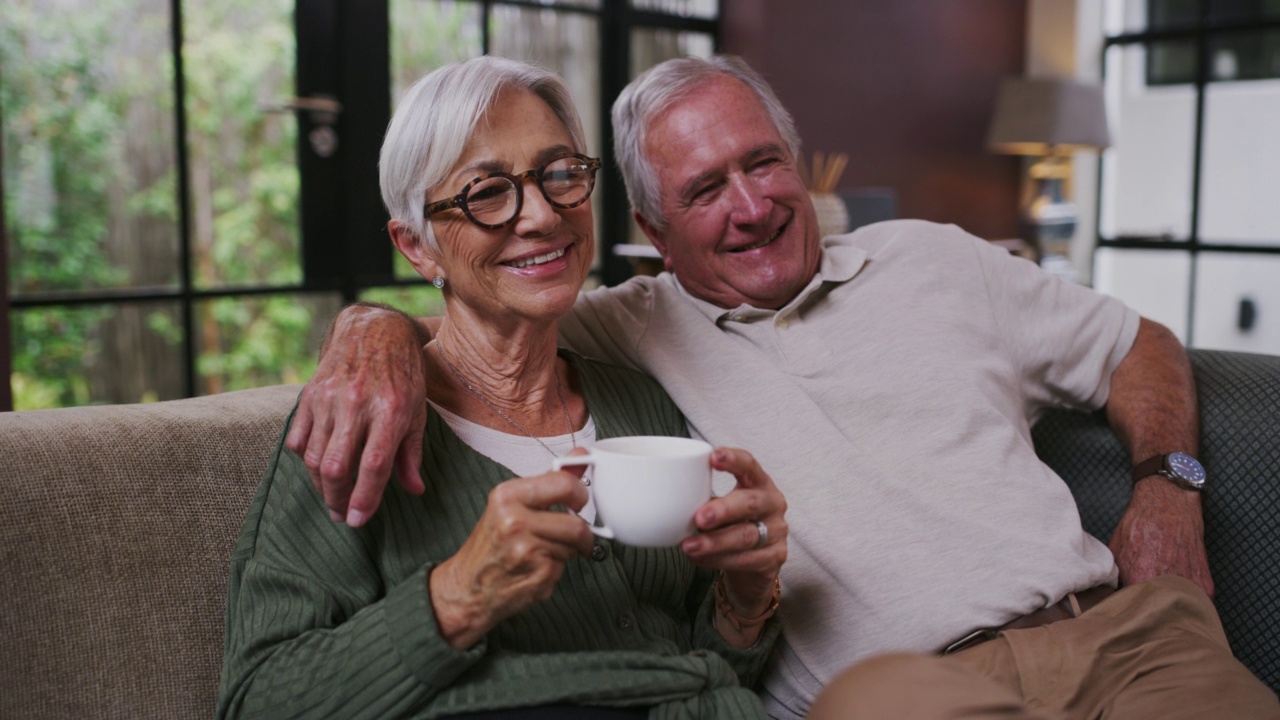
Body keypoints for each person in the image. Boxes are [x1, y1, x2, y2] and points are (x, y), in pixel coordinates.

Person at [285, 55, 1280, 718]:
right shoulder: (625, 331)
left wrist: (1167, 489)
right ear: (652, 231)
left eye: (761, 164)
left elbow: (1136, 341)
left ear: (797, 163)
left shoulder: (931, 257)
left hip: (1122, 638)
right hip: (911, 690)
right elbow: (484, 312)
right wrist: (369, 328)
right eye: (704, 190)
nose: (751, 205)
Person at [217, 56, 790, 720]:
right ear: (418, 247)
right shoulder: (358, 424)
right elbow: (256, 700)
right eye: (485, 192)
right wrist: (458, 596)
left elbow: (703, 664)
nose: (544, 216)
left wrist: (745, 600)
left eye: (560, 174)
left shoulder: (643, 399)